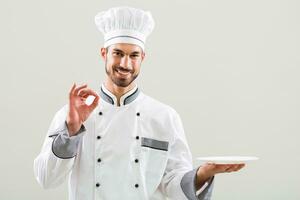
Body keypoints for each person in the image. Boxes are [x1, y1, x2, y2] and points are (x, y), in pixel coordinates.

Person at [33, 6, 245, 200]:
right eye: (118, 53)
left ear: (142, 57)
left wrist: (203, 173)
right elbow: (47, 179)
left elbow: (173, 185)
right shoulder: (72, 115)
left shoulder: (164, 117)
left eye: (133, 55)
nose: (125, 63)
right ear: (104, 53)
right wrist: (71, 130)